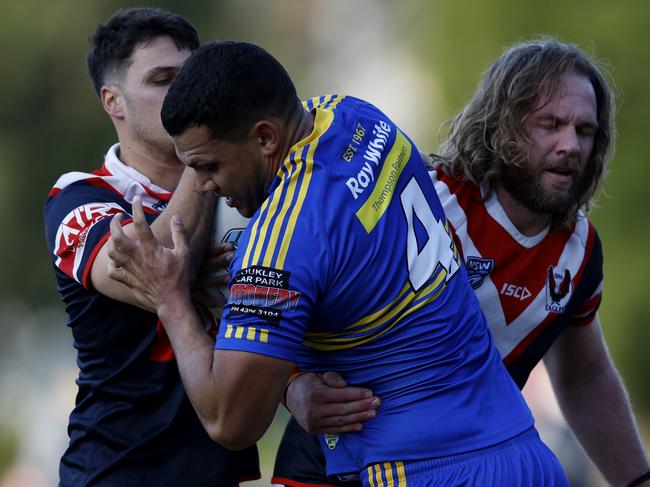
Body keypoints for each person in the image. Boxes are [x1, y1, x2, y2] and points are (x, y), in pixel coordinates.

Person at [107, 40, 568, 486]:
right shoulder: (353, 115)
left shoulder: (280, 240)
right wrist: (291, 383)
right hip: (522, 451)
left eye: (209, 166)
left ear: (265, 138)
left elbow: (231, 421)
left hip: (426, 468)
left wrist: (170, 299)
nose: (203, 186)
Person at [273, 37, 650, 487]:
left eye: (585, 131)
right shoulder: (424, 201)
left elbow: (584, 379)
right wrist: (291, 387)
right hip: (335, 460)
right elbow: (284, 297)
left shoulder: (580, 249)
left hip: (465, 466)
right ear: (503, 125)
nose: (570, 144)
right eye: (551, 124)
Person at [43, 8, 259, 486]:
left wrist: (299, 386)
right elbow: (158, 274)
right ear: (113, 101)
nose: (185, 95)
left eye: (193, 79)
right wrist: (201, 155)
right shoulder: (78, 196)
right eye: (164, 80)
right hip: (118, 471)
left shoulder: (243, 185)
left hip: (221, 471)